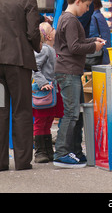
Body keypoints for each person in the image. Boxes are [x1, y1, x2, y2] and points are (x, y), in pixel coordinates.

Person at [53, 0, 106, 168]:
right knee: (71, 114)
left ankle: (73, 151)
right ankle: (61, 153)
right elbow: (75, 47)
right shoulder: (71, 20)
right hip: (68, 71)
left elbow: (75, 42)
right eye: (86, 5)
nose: (86, 10)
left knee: (74, 113)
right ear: (77, 1)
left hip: (69, 70)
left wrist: (92, 40)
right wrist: (94, 47)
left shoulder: (66, 19)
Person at [0, 0, 41, 171]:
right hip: (18, 63)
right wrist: (38, 46)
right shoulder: (28, 0)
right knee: (21, 110)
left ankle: (0, 162)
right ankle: (23, 161)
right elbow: (33, 33)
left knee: (0, 109)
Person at [32, 22, 64, 164]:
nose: (55, 30)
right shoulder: (44, 50)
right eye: (52, 29)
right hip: (44, 91)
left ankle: (46, 150)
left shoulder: (50, 49)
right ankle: (40, 151)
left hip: (51, 90)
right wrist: (43, 82)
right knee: (41, 121)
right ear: (49, 35)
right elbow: (35, 68)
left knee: (48, 120)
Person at [89, 0, 111, 64]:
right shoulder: (99, 16)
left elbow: (89, 36)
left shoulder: (93, 18)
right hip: (104, 56)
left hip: (97, 57)